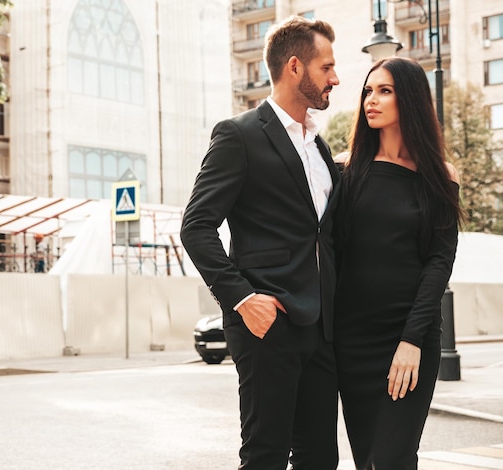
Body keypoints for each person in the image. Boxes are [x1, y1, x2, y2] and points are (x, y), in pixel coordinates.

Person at [180, 16, 341, 470]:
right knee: (265, 456)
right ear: (295, 67)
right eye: (326, 67)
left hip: (321, 327)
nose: (335, 77)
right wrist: (243, 299)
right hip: (267, 326)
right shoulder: (239, 135)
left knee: (319, 459)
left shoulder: (320, 148)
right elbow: (196, 226)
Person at [333, 57, 463, 469]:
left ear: (409, 99)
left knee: (393, 458)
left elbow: (440, 262)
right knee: (368, 460)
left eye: (384, 91)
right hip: (352, 339)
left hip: (410, 336)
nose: (371, 100)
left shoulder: (441, 175)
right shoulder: (345, 170)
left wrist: (411, 340)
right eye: (368, 91)